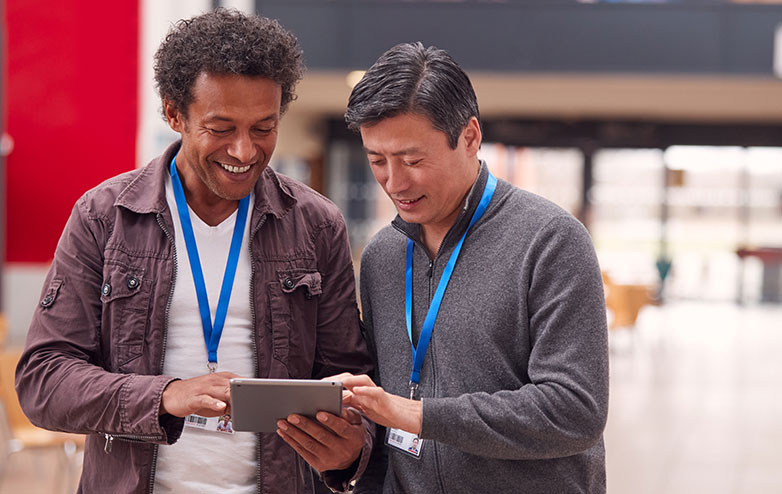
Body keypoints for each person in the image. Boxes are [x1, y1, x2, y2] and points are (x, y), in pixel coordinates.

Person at [15, 9, 374, 494]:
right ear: (174, 114)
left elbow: (349, 383)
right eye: (221, 127)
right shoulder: (104, 216)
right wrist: (166, 395)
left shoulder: (315, 224)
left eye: (263, 128)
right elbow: (44, 380)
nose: (245, 151)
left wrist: (352, 447)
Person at [336, 42, 609, 493]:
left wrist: (418, 415)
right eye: (377, 161)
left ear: (470, 137)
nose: (394, 182)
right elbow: (381, 421)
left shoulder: (551, 240)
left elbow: (574, 410)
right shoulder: (383, 255)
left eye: (412, 159)